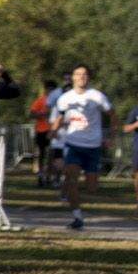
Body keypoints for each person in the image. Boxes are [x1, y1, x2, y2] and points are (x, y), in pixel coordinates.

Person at [50, 65, 112, 230]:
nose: (81, 77)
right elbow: (60, 116)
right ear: (73, 77)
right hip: (73, 144)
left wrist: (111, 137)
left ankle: (75, 193)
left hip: (93, 146)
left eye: (85, 74)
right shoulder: (65, 98)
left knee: (92, 188)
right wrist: (54, 131)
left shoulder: (97, 96)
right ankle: (77, 216)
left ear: (88, 77)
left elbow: (112, 115)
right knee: (71, 179)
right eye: (78, 74)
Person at [30, 79, 58, 186]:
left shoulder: (58, 101)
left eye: (52, 90)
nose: (50, 92)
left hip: (53, 130)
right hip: (41, 130)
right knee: (42, 154)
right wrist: (42, 115)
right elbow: (32, 113)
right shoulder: (41, 100)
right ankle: (41, 175)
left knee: (52, 154)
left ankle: (50, 176)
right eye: (48, 89)